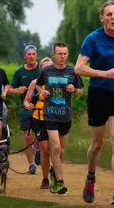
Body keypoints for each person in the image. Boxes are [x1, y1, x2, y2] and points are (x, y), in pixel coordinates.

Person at [75, 0, 114, 205]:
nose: (113, 18)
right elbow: (79, 68)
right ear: (102, 18)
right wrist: (104, 74)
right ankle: (91, 176)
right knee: (97, 144)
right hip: (98, 94)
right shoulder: (92, 39)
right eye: (108, 14)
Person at [37, 42, 84, 195]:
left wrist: (74, 89)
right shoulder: (47, 71)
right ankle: (60, 180)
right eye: (60, 54)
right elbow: (38, 85)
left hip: (65, 115)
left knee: (61, 151)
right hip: (50, 113)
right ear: (54, 55)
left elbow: (81, 92)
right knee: (55, 147)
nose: (63, 56)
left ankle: (53, 170)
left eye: (65, 54)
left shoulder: (73, 71)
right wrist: (42, 92)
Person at [8, 45, 40, 175]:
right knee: (27, 136)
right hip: (25, 107)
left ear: (36, 55)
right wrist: (17, 90)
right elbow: (9, 89)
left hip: (40, 106)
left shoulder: (42, 69)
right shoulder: (19, 72)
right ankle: (31, 164)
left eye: (33, 54)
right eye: (29, 54)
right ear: (25, 57)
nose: (31, 56)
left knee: (39, 135)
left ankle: (37, 150)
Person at [24, 57, 53, 189]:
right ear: (41, 69)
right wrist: (28, 105)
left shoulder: (58, 82)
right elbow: (26, 100)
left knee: (57, 149)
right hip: (40, 119)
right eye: (44, 68)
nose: (47, 70)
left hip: (56, 119)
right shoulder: (34, 83)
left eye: (49, 67)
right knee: (45, 150)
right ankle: (45, 178)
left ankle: (55, 171)